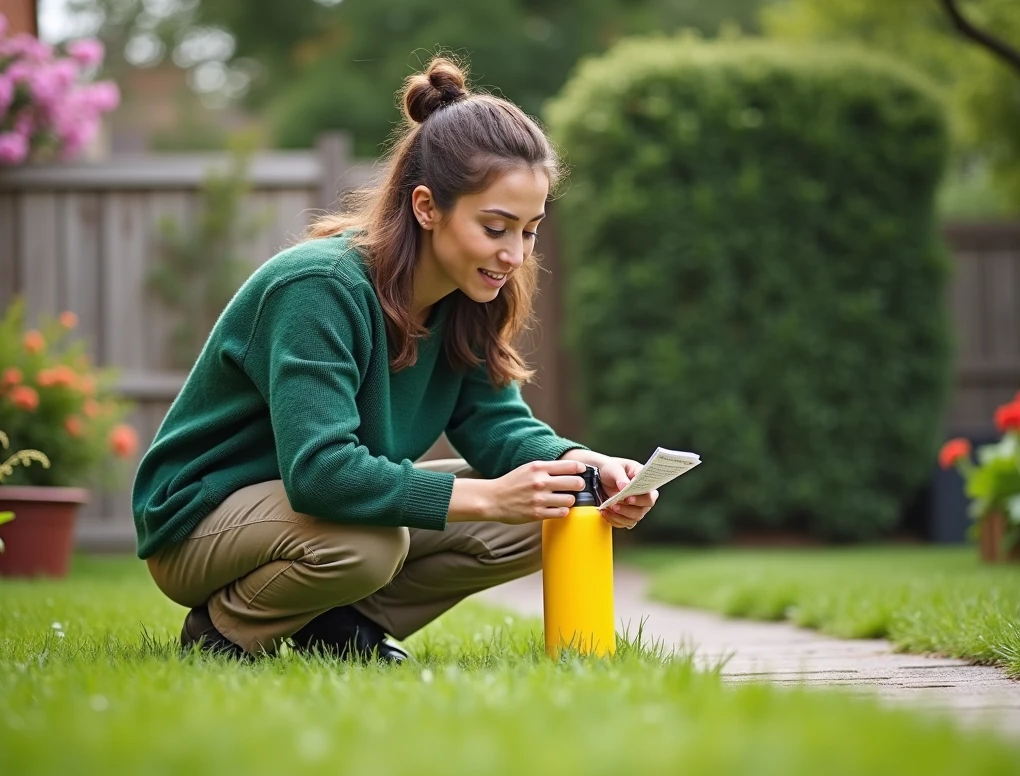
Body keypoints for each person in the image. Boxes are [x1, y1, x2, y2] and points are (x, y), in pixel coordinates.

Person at [131, 56, 660, 663]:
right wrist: (488, 498)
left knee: (554, 504)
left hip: (309, 514)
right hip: (199, 518)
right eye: (495, 228)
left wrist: (579, 464)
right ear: (427, 207)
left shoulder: (474, 293)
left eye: (530, 231)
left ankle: (335, 633)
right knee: (369, 545)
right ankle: (225, 634)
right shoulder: (319, 288)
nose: (514, 254)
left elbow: (496, 424)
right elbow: (321, 473)